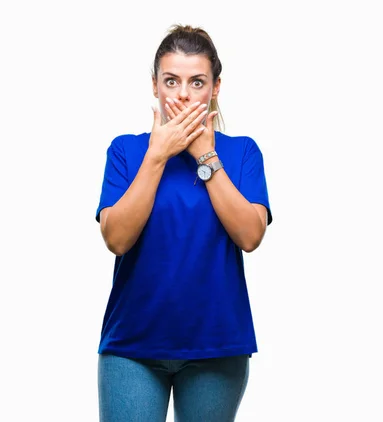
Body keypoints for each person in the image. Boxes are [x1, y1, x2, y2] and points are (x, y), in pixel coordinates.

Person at [94, 24, 273, 422]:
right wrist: (157, 156)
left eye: (197, 82)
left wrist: (206, 157)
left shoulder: (241, 153)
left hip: (217, 348)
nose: (183, 94)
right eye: (171, 81)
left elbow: (249, 235)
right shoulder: (126, 150)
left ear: (216, 88)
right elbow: (117, 238)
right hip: (132, 347)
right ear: (155, 85)